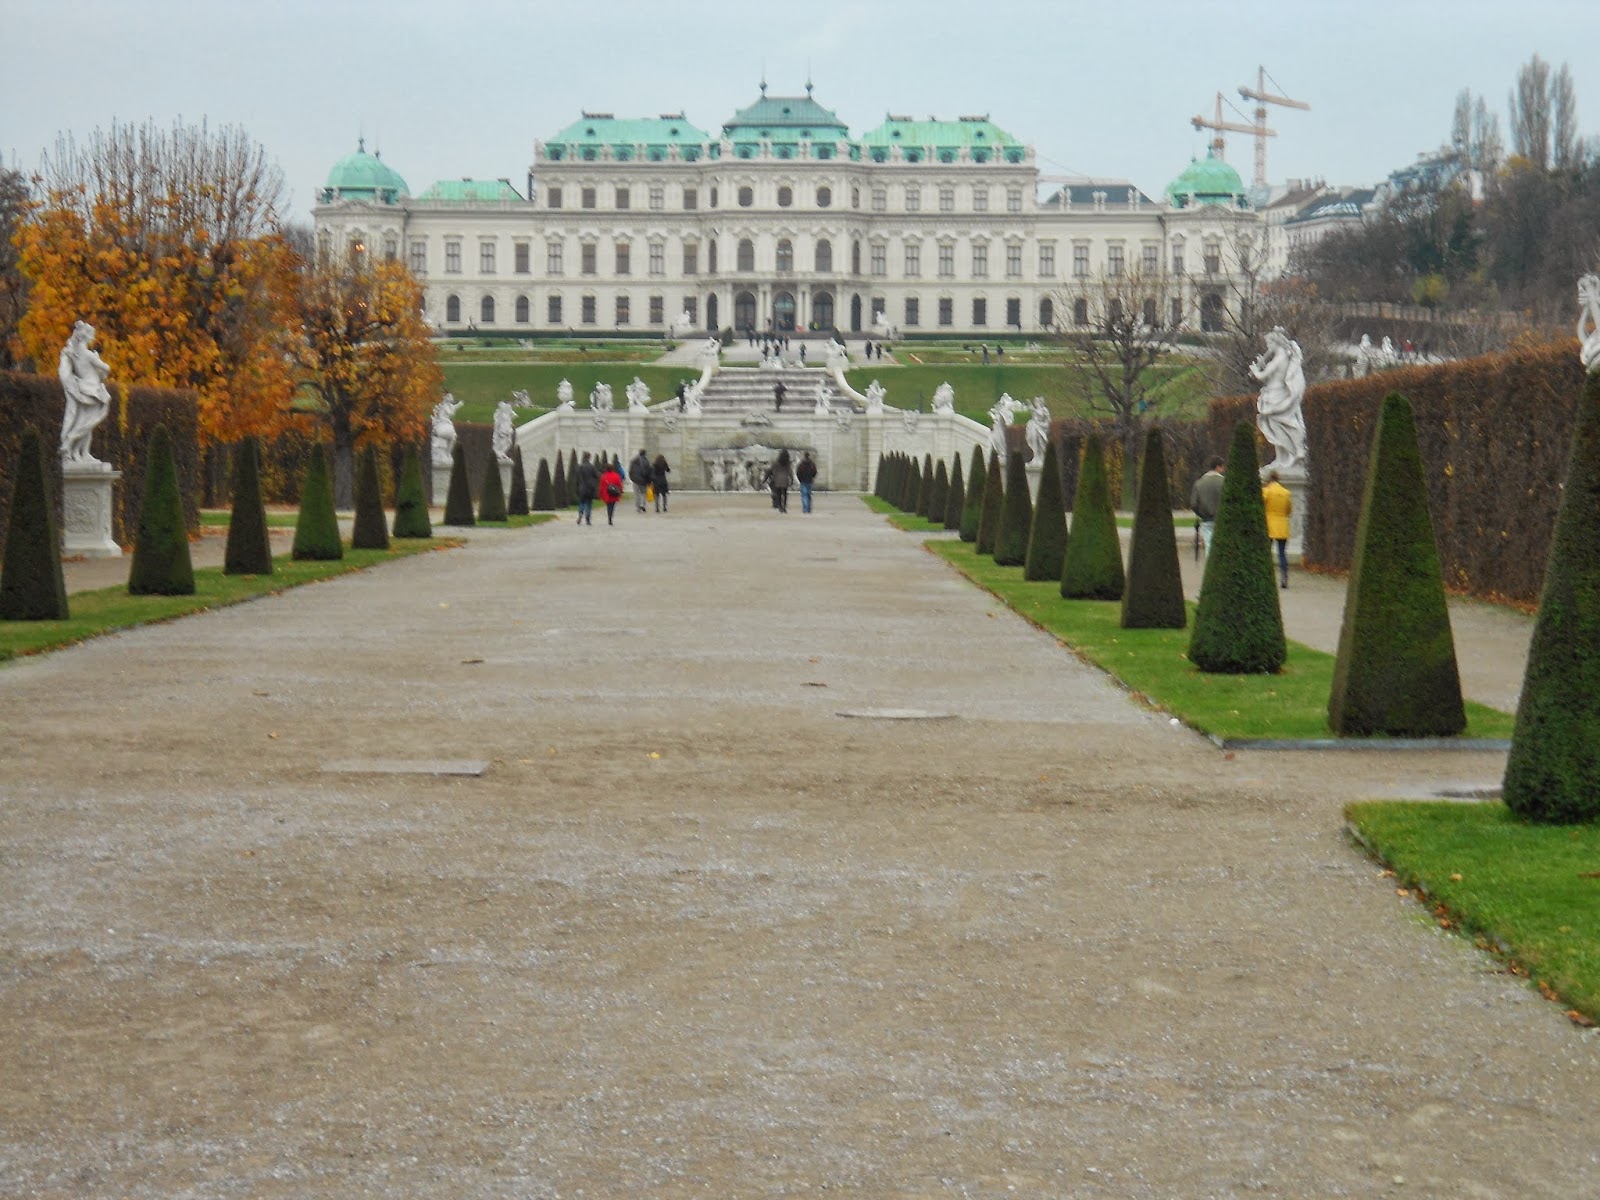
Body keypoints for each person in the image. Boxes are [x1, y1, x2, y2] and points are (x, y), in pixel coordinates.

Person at [57, 321, 113, 465]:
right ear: (86, 337)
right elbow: (106, 368)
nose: (93, 338)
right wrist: (98, 359)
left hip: (82, 388)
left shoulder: (73, 354)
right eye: (92, 335)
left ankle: (80, 452)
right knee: (89, 421)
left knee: (87, 422)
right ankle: (70, 443)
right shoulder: (89, 355)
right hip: (92, 389)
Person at [1262, 470, 1292, 588]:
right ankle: (1284, 577)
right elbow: (1289, 510)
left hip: (1269, 525)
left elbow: (1262, 505)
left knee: (1266, 553)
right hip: (1282, 526)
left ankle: (1266, 576)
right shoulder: (1286, 492)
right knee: (1282, 553)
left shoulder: (1266, 491)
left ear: (1269, 479)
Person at [1189, 456, 1225, 554]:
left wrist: (1201, 513)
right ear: (1218, 467)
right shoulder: (1224, 482)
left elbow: (1194, 504)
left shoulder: (1199, 483)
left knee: (1209, 544)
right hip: (1222, 518)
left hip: (1206, 518)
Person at [763, 449, 793, 513]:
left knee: (778, 494)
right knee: (785, 494)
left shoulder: (776, 463)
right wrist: (791, 479)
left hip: (777, 480)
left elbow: (769, 471)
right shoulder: (787, 464)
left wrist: (765, 479)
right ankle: (784, 506)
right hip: (785, 480)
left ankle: (780, 507)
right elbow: (790, 472)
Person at [574, 451, 599, 526]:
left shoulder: (579, 467)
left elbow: (577, 479)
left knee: (581, 502)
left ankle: (580, 513)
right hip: (590, 488)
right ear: (589, 457)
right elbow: (596, 476)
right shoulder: (591, 467)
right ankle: (587, 519)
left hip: (582, 487)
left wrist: (577, 487)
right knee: (588, 504)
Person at [599, 458, 626, 525]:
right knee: (612, 506)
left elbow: (601, 486)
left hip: (607, 494)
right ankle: (610, 517)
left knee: (608, 506)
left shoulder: (604, 476)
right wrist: (621, 491)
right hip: (614, 493)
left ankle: (609, 517)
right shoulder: (616, 476)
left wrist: (600, 494)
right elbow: (619, 484)